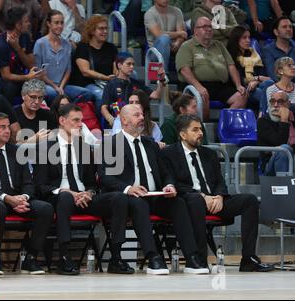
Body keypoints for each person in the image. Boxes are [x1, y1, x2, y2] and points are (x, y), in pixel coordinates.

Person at [99, 104, 210, 274]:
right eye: (137, 115)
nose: (142, 118)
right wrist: (128, 188)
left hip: (155, 195)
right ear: (124, 120)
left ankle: (192, 257)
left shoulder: (150, 143)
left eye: (142, 114)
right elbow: (106, 177)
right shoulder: (112, 144)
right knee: (139, 204)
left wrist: (169, 184)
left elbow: (166, 172)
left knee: (178, 203)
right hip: (129, 198)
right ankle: (153, 257)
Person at [33, 103, 138, 275]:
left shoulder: (83, 147)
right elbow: (40, 186)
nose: (80, 124)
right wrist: (66, 192)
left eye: (81, 121)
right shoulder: (45, 148)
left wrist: (89, 193)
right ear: (62, 121)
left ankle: (116, 257)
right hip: (60, 198)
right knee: (65, 198)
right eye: (75, 120)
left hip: (84, 199)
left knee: (119, 198)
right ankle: (65, 257)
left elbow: (92, 182)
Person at [161, 114, 275, 272]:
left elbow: (220, 181)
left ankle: (248, 258)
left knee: (249, 200)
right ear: (183, 134)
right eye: (195, 130)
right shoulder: (169, 154)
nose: (201, 133)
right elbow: (173, 183)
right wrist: (203, 196)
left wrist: (220, 196)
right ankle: (199, 258)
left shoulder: (209, 154)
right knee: (195, 200)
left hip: (215, 201)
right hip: (190, 202)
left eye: (201, 129)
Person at [0, 112, 54, 275]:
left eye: (8, 127)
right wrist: (7, 198)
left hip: (18, 198)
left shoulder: (17, 151)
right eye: (2, 127)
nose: (7, 131)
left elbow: (28, 182)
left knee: (45, 208)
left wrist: (24, 197)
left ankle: (31, 259)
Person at [176, 17, 247, 119]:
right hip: (196, 85)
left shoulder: (219, 45)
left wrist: (238, 85)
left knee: (242, 95)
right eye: (204, 27)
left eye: (210, 27)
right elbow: (184, 70)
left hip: (220, 86)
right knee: (202, 97)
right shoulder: (187, 46)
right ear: (195, 30)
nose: (209, 29)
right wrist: (198, 87)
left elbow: (231, 65)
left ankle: (224, 125)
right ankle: (204, 128)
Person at [33, 9, 92, 105]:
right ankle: (56, 115)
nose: (60, 26)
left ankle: (68, 111)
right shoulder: (40, 43)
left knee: (86, 93)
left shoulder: (67, 44)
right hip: (45, 85)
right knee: (53, 93)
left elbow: (68, 70)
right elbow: (39, 72)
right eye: (56, 23)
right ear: (49, 24)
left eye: (61, 23)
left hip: (62, 85)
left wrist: (61, 86)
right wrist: (55, 87)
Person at [69, 15, 118, 117]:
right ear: (92, 31)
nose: (105, 31)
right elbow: (85, 71)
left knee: (121, 94)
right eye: (101, 29)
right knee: (101, 95)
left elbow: (116, 68)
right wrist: (105, 78)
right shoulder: (83, 47)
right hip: (87, 83)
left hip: (107, 82)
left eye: (106, 28)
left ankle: (117, 123)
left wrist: (115, 76)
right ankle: (98, 124)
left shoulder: (111, 47)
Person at [100, 52, 164, 128]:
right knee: (113, 139)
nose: (131, 67)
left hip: (133, 125)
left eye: (133, 64)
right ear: (119, 65)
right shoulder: (111, 84)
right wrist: (112, 121)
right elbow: (103, 108)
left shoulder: (137, 83)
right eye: (128, 64)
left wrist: (161, 80)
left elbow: (156, 95)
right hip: (114, 125)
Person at [0, 7, 43, 103]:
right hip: (3, 79)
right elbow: (6, 76)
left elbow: (30, 65)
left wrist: (18, 49)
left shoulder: (25, 37)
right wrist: (27, 77)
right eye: (26, 21)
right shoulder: (1, 43)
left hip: (21, 76)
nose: (29, 24)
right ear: (18, 25)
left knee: (38, 87)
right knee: (10, 87)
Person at [227, 25, 273, 111]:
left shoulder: (255, 55)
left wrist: (256, 80)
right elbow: (235, 80)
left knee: (269, 83)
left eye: (249, 37)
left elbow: (267, 77)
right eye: (244, 38)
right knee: (261, 93)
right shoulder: (230, 56)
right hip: (242, 89)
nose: (248, 40)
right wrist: (254, 81)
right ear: (236, 39)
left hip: (257, 84)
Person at [257, 90, 295, 175]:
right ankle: (283, 186)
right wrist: (284, 120)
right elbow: (280, 143)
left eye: (280, 101)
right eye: (272, 101)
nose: (275, 105)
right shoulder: (263, 122)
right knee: (284, 149)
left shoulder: (293, 120)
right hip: (271, 165)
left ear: (288, 104)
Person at [144, 0, 187, 72]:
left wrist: (178, 43)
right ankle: (164, 76)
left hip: (175, 48)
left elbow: (182, 34)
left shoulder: (177, 11)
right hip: (155, 52)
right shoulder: (149, 14)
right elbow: (159, 34)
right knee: (164, 39)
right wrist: (178, 33)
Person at [262, 16, 295, 81]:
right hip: (280, 87)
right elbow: (273, 74)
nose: (289, 29)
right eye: (284, 27)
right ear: (276, 32)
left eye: (290, 27)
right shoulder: (268, 50)